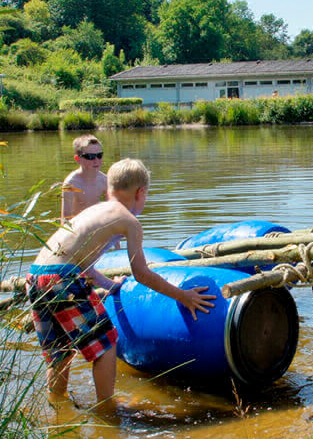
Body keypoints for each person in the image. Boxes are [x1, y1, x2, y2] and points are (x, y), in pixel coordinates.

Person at [26, 158, 216, 408]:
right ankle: (107, 408)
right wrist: (184, 296)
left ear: (109, 189)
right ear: (141, 192)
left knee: (59, 353)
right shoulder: (129, 221)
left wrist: (110, 284)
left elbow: (83, 263)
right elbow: (142, 274)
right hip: (64, 279)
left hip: (36, 275)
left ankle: (58, 409)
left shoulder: (93, 211)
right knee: (106, 343)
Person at [62, 134, 107, 223]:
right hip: (77, 228)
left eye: (99, 155)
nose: (96, 160)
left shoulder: (104, 180)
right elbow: (65, 220)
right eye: (90, 156)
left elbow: (113, 209)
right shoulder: (71, 183)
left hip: (96, 225)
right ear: (78, 159)